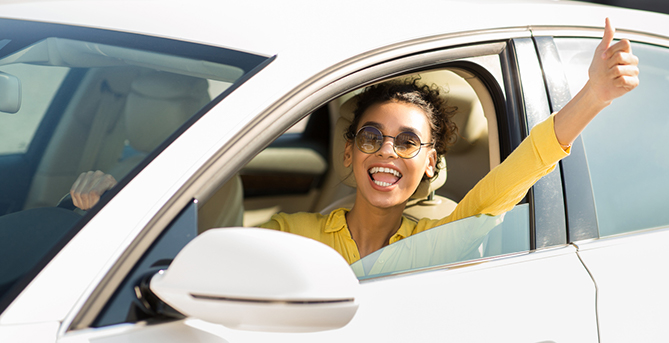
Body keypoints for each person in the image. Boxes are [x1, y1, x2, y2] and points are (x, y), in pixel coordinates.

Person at [71, 18, 639, 264]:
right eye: (371, 136)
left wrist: (592, 96)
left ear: (431, 164)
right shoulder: (297, 234)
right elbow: (205, 248)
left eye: (407, 142)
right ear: (349, 154)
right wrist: (108, 207)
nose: (386, 150)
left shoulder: (444, 235)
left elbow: (518, 172)